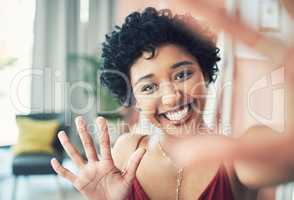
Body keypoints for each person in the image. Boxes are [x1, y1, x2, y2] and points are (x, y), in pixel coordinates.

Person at [50, 6, 294, 200]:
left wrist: (283, 56)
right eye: (148, 87)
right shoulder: (126, 152)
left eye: (183, 75)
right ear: (134, 99)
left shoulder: (239, 157)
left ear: (205, 74)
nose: (171, 97)